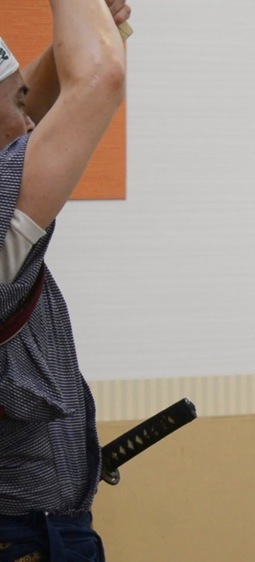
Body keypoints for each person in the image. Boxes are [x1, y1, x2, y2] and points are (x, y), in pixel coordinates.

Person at [0, 0, 129, 560]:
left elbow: (22, 100)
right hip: (25, 535)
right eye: (19, 106)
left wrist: (80, 26)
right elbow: (100, 78)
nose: (33, 121)